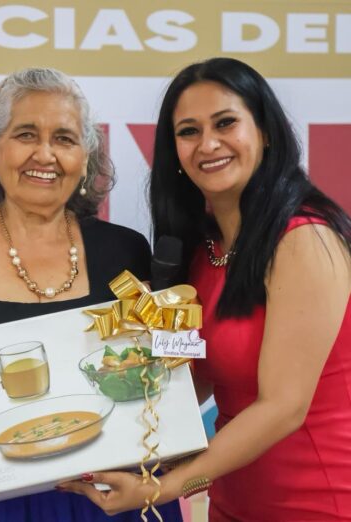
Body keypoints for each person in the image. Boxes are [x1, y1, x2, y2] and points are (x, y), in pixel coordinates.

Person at [60, 58, 351, 520]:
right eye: (189, 131)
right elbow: (193, 382)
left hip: (320, 501)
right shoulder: (204, 250)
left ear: (265, 131)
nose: (208, 144)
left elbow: (284, 408)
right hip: (233, 501)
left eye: (226, 123)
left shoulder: (304, 239)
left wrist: (165, 486)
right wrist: (99, 412)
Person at [0, 68, 183, 522]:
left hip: (106, 501)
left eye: (64, 139)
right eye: (26, 134)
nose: (45, 154)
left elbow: (167, 364)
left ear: (85, 157)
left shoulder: (126, 250)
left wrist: (180, 348)